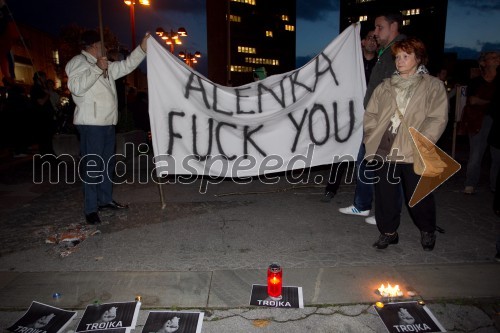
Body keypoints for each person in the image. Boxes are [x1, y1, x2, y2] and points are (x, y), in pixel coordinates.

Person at [363, 37, 448, 250]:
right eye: (398, 57)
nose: (400, 61)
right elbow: (371, 113)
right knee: (385, 194)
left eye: (406, 56)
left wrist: (423, 140)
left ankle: (427, 229)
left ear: (418, 59)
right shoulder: (386, 86)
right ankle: (388, 232)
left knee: (418, 194)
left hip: (413, 147)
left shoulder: (432, 86)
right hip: (384, 146)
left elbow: (438, 117)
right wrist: (371, 135)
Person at [65, 29, 150, 225]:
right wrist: (96, 68)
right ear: (94, 46)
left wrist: (142, 50)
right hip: (91, 124)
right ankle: (90, 208)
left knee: (106, 165)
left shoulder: (104, 64)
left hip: (107, 123)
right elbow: (76, 87)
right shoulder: (77, 62)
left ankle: (104, 200)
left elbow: (126, 66)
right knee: (93, 167)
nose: (105, 48)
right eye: (102, 45)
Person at [339, 12, 406, 225]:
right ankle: (362, 204)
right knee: (365, 162)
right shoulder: (386, 50)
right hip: (376, 119)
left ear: (393, 26)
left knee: (389, 171)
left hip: (389, 121)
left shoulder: (402, 50)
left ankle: (387, 213)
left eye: (379, 27)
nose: (375, 32)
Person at [320, 29, 379, 204]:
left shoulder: (380, 64)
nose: (372, 42)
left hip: (370, 115)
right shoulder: (351, 62)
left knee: (368, 154)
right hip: (350, 114)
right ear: (362, 41)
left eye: (375, 40)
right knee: (342, 152)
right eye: (369, 38)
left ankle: (367, 191)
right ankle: (331, 188)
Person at [460, 51, 500, 194]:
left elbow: (482, 101)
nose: (497, 59)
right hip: (479, 120)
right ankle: (470, 183)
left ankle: (495, 186)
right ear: (483, 63)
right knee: (476, 153)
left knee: (497, 156)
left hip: (497, 121)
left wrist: (484, 102)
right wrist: (492, 103)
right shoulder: (476, 81)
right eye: (494, 57)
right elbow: (472, 101)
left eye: (499, 57)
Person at [31, 71, 56, 156]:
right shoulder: (36, 89)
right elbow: (41, 102)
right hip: (42, 118)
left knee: (48, 137)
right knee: (44, 138)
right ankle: (46, 155)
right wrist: (47, 95)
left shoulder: (41, 88)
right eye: (44, 77)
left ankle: (49, 153)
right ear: (40, 78)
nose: (45, 79)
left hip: (46, 117)